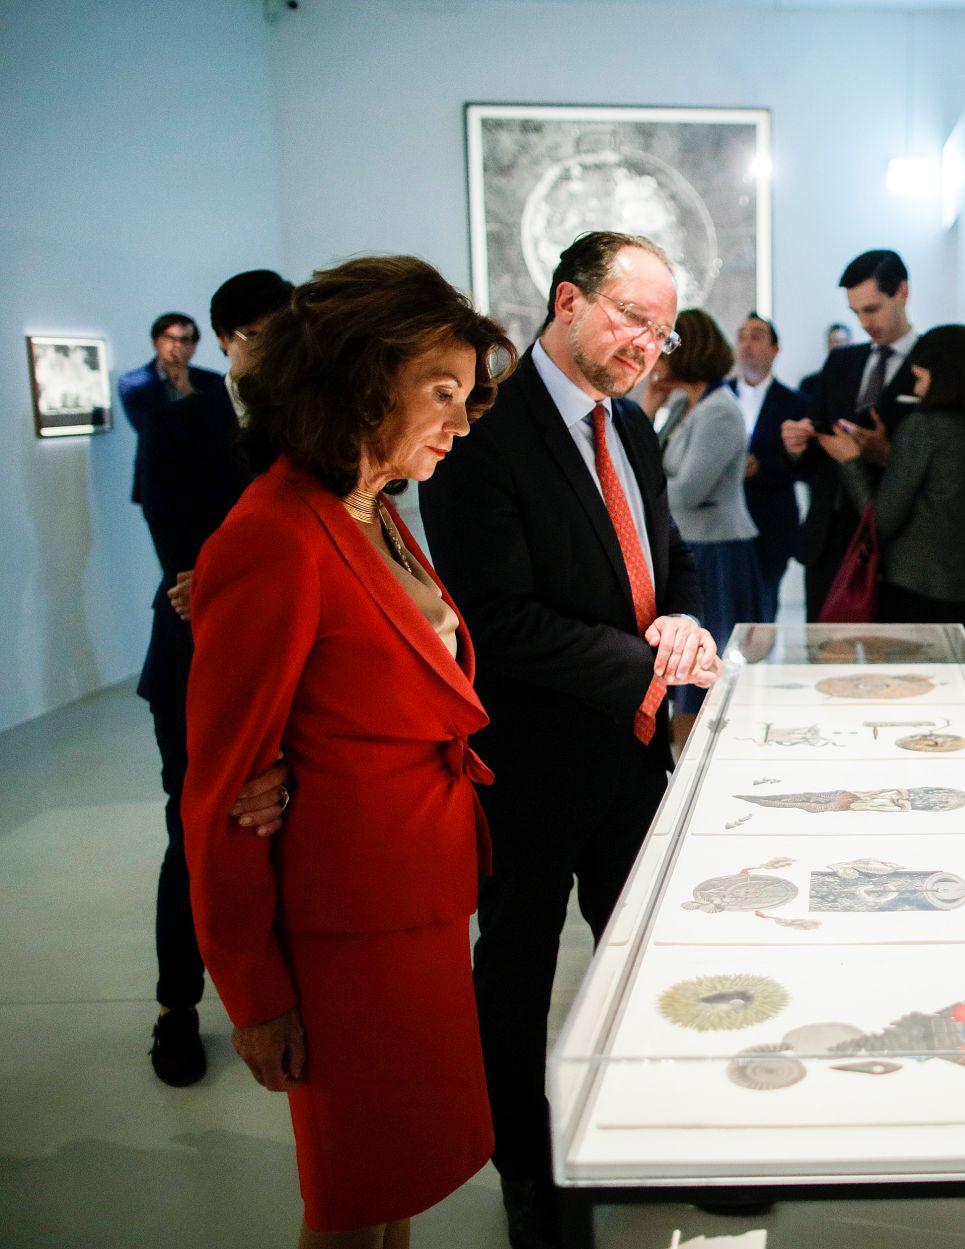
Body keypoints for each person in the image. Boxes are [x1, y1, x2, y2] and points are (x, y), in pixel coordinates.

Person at [181, 256, 516, 1246]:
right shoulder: (275, 535)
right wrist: (255, 995)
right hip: (340, 932)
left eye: (466, 394)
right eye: (441, 392)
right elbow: (219, 794)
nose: (460, 422)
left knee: (396, 1173)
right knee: (348, 1194)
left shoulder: (373, 509)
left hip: (412, 902)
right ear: (362, 380)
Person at [419, 230, 719, 1249]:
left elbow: (666, 559)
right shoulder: (484, 434)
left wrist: (680, 623)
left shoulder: (630, 429)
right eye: (632, 316)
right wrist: (648, 667)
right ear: (567, 302)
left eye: (661, 326)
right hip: (533, 762)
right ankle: (528, 1174)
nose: (649, 340)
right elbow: (494, 618)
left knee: (653, 957)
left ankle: (665, 1134)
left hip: (634, 756)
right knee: (517, 971)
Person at [136, 268, 295, 1086]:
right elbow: (183, 571)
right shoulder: (178, 426)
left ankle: (277, 993)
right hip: (191, 662)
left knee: (277, 823)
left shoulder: (301, 425)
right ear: (230, 336)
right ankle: (176, 1008)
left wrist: (233, 577)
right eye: (265, 333)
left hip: (287, 658)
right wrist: (232, 578)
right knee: (193, 833)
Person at [817, 324, 965, 674]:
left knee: (905, 704)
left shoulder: (923, 428)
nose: (916, 389)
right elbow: (953, 493)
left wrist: (850, 461)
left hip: (913, 597)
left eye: (920, 377)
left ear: (942, 377)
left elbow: (881, 520)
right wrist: (891, 454)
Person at [644, 308, 763, 748]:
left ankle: (710, 772)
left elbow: (683, 492)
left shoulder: (720, 411)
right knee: (682, 684)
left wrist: (651, 487)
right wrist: (649, 406)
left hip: (719, 554)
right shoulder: (683, 406)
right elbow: (642, 467)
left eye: (667, 343)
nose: (655, 352)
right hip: (692, 547)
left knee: (705, 682)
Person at [782, 252, 920, 620]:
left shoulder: (930, 364)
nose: (863, 323)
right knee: (824, 666)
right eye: (855, 312)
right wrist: (797, 445)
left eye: (872, 309)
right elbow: (814, 455)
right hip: (829, 541)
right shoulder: (840, 363)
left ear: (902, 292)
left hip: (894, 545)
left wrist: (886, 452)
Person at [730, 311, 807, 621]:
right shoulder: (718, 395)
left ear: (775, 349)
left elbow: (802, 464)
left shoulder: (795, 402)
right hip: (724, 524)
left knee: (763, 611)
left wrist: (761, 468)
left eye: (757, 336)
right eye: (742, 336)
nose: (747, 344)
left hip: (770, 522)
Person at [118, 312, 225, 504]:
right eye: (170, 338)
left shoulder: (211, 380)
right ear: (155, 342)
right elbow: (146, 427)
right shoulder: (133, 383)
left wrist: (188, 390)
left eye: (185, 340)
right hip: (158, 475)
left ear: (194, 346)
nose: (177, 346)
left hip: (207, 475)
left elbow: (219, 425)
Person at [795, 320, 851, 399]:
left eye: (841, 342)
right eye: (834, 342)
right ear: (827, 344)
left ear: (849, 345)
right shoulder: (809, 384)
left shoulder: (859, 382)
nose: (838, 346)